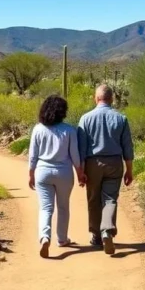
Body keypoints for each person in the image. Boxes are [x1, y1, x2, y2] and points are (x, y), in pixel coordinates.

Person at [76, 85, 134, 255]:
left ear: (96, 98)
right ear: (112, 99)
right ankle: (107, 231)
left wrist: (81, 171)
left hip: (93, 163)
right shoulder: (121, 119)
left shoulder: (85, 119)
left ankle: (96, 236)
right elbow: (128, 147)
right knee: (110, 199)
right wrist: (129, 170)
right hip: (115, 162)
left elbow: (82, 148)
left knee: (94, 198)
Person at [28, 95, 86, 258]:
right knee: (63, 207)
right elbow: (75, 156)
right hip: (64, 173)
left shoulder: (38, 129)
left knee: (46, 208)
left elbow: (33, 155)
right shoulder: (69, 130)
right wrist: (80, 173)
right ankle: (62, 239)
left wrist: (31, 173)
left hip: (43, 172)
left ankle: (45, 237)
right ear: (63, 112)